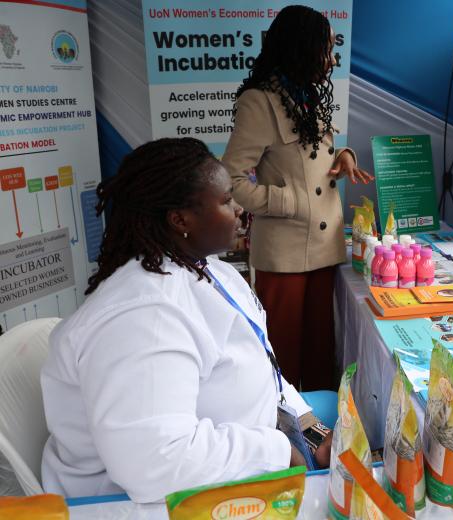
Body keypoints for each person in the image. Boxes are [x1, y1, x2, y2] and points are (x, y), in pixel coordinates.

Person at [41, 138, 331, 503]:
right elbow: (156, 463)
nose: (240, 209)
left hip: (231, 466)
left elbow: (263, 367)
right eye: (226, 200)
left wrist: (311, 431)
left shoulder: (214, 272)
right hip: (136, 504)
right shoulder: (143, 318)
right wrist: (275, 451)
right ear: (180, 219)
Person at [223, 5, 372, 391]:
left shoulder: (306, 95)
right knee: (284, 359)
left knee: (321, 353)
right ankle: (285, 429)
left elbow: (312, 158)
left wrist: (344, 156)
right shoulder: (259, 102)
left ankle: (323, 426)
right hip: (285, 253)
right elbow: (231, 180)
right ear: (301, 47)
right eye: (326, 49)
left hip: (323, 246)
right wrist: (288, 202)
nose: (332, 59)